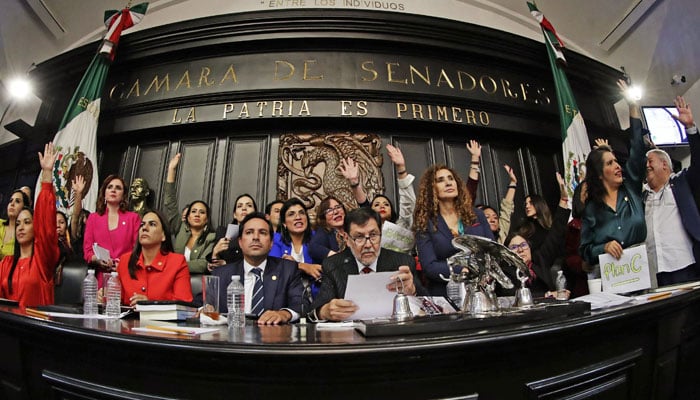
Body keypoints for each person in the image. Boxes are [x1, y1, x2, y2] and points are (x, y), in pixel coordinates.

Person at [310, 207, 426, 321]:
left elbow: (430, 306)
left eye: (373, 235)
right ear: (346, 239)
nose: (368, 245)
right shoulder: (333, 265)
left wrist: (413, 291)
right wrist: (324, 312)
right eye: (359, 237)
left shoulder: (402, 262)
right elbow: (316, 310)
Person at [580, 79, 647, 270]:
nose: (618, 166)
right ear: (600, 174)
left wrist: (633, 106)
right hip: (611, 277)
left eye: (617, 161)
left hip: (641, 268)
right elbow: (585, 250)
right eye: (610, 163)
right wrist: (604, 247)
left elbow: (637, 150)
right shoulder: (592, 208)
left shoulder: (631, 187)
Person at [644, 95, 700, 285]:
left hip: (684, 268)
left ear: (665, 166)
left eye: (650, 161)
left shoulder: (681, 183)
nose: (647, 166)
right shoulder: (642, 195)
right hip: (653, 273)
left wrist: (690, 128)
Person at [414, 164, 493, 296]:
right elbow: (430, 266)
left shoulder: (477, 215)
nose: (448, 183)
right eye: (440, 180)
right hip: (445, 295)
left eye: (451, 178)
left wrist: (486, 272)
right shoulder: (424, 222)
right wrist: (463, 270)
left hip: (482, 291)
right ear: (431, 189)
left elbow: (492, 250)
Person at [212, 212, 303, 325]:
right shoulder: (221, 274)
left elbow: (301, 303)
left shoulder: (287, 269)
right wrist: (204, 309)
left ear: (271, 243)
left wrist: (284, 314)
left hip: (273, 338)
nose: (255, 237)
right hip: (230, 338)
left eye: (262, 233)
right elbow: (202, 304)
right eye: (249, 232)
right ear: (240, 242)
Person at [0, 142, 59, 307]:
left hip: (36, 329)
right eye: (18, 223)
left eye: (27, 222)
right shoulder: (6, 264)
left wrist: (47, 173)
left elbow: (47, 223)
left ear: (35, 228)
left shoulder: (42, 261)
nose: (20, 227)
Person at [503, 173, 571, 298]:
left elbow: (554, 236)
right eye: (514, 247)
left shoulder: (539, 261)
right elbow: (512, 297)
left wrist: (564, 200)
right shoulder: (506, 273)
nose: (521, 249)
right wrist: (547, 295)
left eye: (523, 245)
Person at [116, 210, 193, 307]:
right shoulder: (125, 261)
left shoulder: (177, 262)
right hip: (128, 321)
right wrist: (104, 296)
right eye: (142, 225)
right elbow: (116, 298)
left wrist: (151, 305)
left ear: (163, 236)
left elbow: (184, 306)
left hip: (162, 322)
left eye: (152, 224)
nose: (144, 228)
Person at [82, 174, 141, 287]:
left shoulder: (133, 218)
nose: (113, 190)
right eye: (110, 187)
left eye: (118, 188)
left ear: (123, 195)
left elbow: (137, 250)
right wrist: (99, 260)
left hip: (125, 276)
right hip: (100, 278)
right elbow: (88, 251)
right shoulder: (93, 218)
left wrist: (122, 264)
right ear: (104, 192)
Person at [164, 153, 217, 274]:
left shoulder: (211, 237)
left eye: (202, 212)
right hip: (172, 279)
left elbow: (203, 264)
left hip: (195, 283)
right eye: (193, 211)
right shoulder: (180, 227)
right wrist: (171, 170)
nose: (197, 215)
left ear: (207, 219)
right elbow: (170, 202)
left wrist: (174, 265)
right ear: (187, 217)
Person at [270, 198, 322, 303]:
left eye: (301, 213)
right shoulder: (276, 239)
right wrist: (302, 266)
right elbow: (274, 265)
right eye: (291, 214)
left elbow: (325, 268)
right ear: (284, 223)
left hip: (316, 297)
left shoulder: (318, 238)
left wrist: (292, 264)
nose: (298, 217)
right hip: (285, 298)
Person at [206, 193, 257, 268]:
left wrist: (227, 263)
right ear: (235, 215)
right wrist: (215, 253)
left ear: (255, 212)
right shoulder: (222, 232)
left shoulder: (260, 234)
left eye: (249, 205)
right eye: (239, 206)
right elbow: (213, 266)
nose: (244, 208)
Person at [477, 164, 518, 244]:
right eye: (487, 217)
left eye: (495, 218)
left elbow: (506, 209)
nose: (492, 220)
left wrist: (513, 183)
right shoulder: (474, 240)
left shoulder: (501, 235)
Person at [308, 196, 347, 264]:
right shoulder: (324, 232)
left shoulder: (353, 227)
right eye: (329, 210)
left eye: (338, 207)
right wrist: (339, 258)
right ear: (324, 218)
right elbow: (313, 248)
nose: (336, 212)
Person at [1, 189, 30, 259]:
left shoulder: (23, 234)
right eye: (11, 200)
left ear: (24, 208)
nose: (12, 204)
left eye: (17, 201)